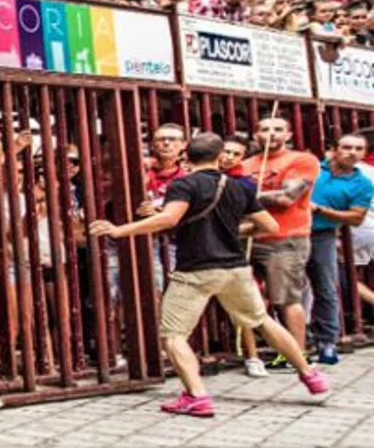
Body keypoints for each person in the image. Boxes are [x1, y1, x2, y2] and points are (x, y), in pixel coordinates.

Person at [89, 133, 328, 416]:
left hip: (196, 270)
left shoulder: (184, 184)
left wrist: (119, 230)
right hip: (235, 269)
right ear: (219, 157)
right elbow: (270, 226)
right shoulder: (240, 187)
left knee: (173, 335)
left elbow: (169, 218)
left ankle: (196, 395)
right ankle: (309, 374)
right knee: (261, 320)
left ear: (185, 156)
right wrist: (234, 231)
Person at [249, 116, 321, 364]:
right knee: (255, 298)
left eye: (278, 129)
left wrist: (249, 193)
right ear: (255, 134)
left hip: (285, 237)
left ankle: (297, 353)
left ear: (289, 134)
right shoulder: (248, 164)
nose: (271, 134)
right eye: (265, 129)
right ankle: (277, 348)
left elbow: (286, 198)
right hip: (249, 236)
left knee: (286, 298)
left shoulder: (302, 160)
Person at [306, 132, 373, 364]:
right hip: (290, 233)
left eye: (358, 149)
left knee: (326, 287)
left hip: (322, 234)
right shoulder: (312, 168)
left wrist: (321, 210)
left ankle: (327, 342)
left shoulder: (362, 183)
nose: (352, 152)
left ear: (364, 154)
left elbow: (356, 218)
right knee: (290, 290)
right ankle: (295, 341)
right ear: (334, 149)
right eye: (347, 147)